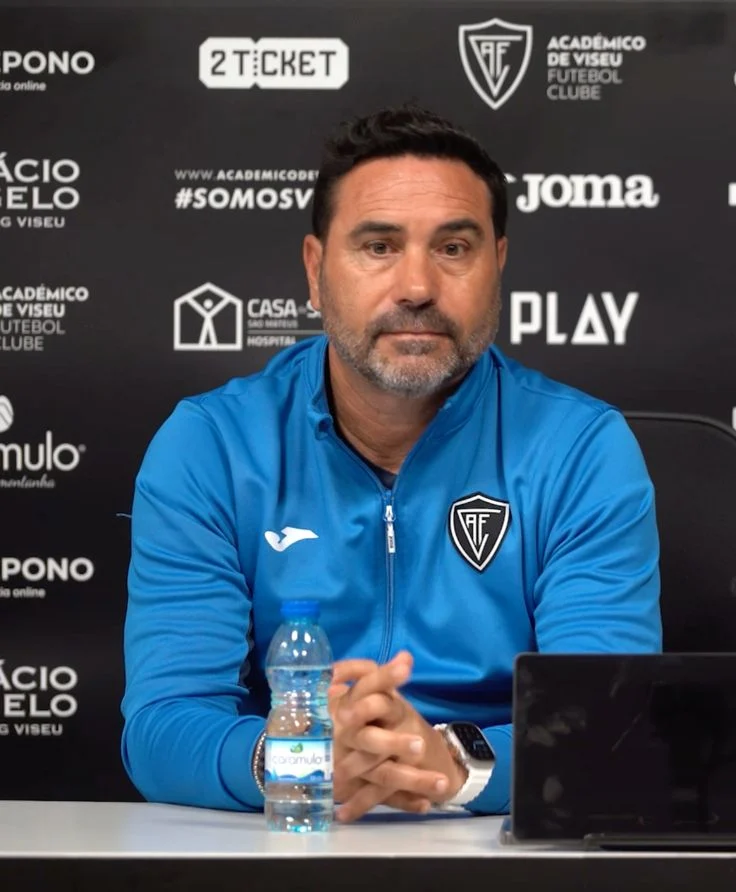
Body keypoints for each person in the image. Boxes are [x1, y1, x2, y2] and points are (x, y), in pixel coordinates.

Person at [121, 105, 663, 821]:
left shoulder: (582, 448)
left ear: (497, 266)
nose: (416, 287)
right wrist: (305, 757)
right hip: (287, 842)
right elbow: (163, 726)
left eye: (453, 249)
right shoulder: (212, 445)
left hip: (501, 844)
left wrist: (451, 764)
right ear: (316, 271)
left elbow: (605, 727)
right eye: (378, 246)